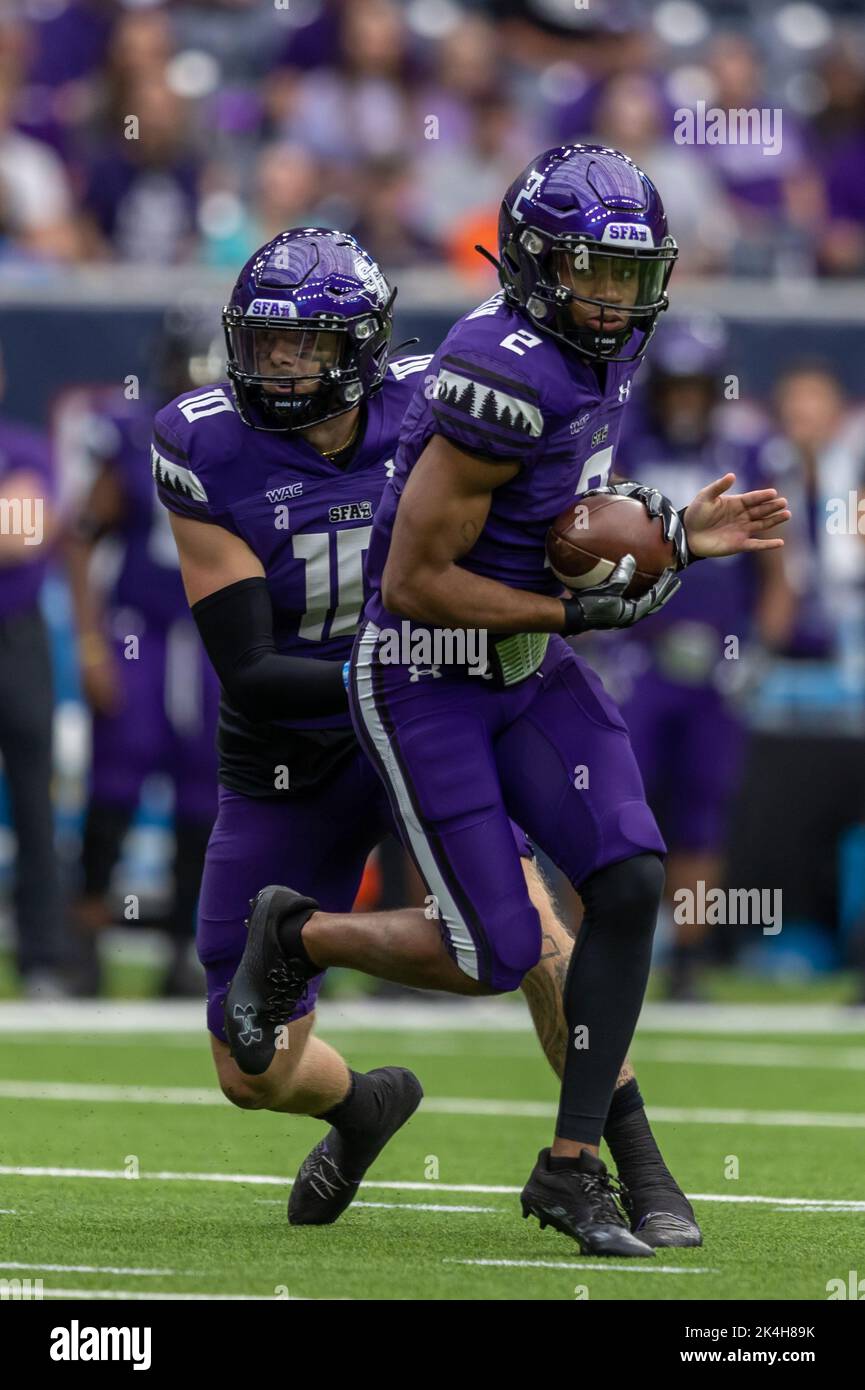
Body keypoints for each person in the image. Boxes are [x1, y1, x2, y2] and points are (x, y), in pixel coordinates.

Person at [227, 149, 790, 1254]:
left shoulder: (606, 349)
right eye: (593, 273)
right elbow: (412, 582)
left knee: (628, 880)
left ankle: (572, 1167)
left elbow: (563, 519)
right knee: (490, 950)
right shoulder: (503, 372)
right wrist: (575, 617)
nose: (617, 300)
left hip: (523, 670)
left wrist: (676, 535)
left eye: (633, 277)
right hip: (429, 671)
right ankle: (298, 931)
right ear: (535, 264)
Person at [155, 225, 697, 1244]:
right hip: (295, 749)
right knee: (251, 1067)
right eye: (266, 345)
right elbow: (252, 670)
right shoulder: (203, 443)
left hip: (432, 703)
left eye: (307, 348)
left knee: (529, 930)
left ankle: (626, 1157)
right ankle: (357, 1106)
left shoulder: (438, 402)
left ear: (361, 350)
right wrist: (405, 666)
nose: (280, 368)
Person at [606, 317, 794, 997]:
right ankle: (589, 955)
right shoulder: (625, 443)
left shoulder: (750, 446)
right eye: (676, 383)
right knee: (613, 809)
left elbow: (779, 571)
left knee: (700, 814)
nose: (685, 397)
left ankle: (686, 962)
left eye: (697, 384)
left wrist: (758, 653)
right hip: (636, 652)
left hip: (715, 661)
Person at [64, 318, 223, 996]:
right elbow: (80, 537)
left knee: (204, 789)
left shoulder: (243, 440)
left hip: (210, 636)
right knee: (117, 780)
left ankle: (184, 948)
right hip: (143, 631)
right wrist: (92, 642)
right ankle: (85, 938)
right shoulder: (131, 431)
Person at [0, 346, 65, 995]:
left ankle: (44, 956)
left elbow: (25, 533)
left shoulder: (22, 446)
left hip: (16, 639)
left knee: (34, 802)